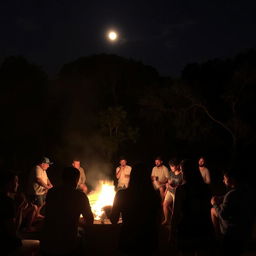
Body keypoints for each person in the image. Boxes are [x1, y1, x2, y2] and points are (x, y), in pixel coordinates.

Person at [40, 167, 94, 256]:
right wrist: (77, 221)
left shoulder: (52, 192)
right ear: (77, 180)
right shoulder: (80, 196)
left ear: (62, 178)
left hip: (47, 242)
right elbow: (90, 221)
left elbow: (50, 213)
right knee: (84, 236)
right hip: (66, 245)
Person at [110, 163, 161, 255]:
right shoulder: (154, 195)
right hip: (149, 240)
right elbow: (158, 219)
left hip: (129, 239)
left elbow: (113, 219)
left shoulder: (121, 195)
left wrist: (109, 210)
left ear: (132, 176)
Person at [170, 159, 214, 256]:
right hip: (203, 227)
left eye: (183, 170)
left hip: (187, 228)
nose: (181, 172)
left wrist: (172, 231)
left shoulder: (181, 190)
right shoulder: (206, 188)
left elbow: (176, 213)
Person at [211, 169, 255, 256]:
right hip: (245, 228)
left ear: (231, 179)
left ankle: (218, 237)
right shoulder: (246, 190)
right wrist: (222, 198)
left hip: (231, 230)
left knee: (212, 210)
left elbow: (223, 215)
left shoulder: (230, 195)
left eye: (225, 178)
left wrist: (215, 203)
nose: (223, 180)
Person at [0, 171, 39, 256]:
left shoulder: (6, 199)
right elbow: (14, 230)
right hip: (6, 245)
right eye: (16, 181)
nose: (18, 184)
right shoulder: (6, 202)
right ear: (8, 183)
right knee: (37, 243)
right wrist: (20, 208)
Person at [162, 158, 183, 225]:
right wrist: (166, 190)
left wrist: (172, 187)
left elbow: (181, 187)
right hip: (170, 191)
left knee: (175, 209)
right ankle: (166, 219)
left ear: (177, 166)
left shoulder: (182, 174)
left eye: (172, 166)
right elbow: (169, 182)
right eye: (170, 166)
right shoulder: (171, 173)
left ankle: (174, 222)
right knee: (165, 204)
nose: (171, 168)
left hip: (176, 194)